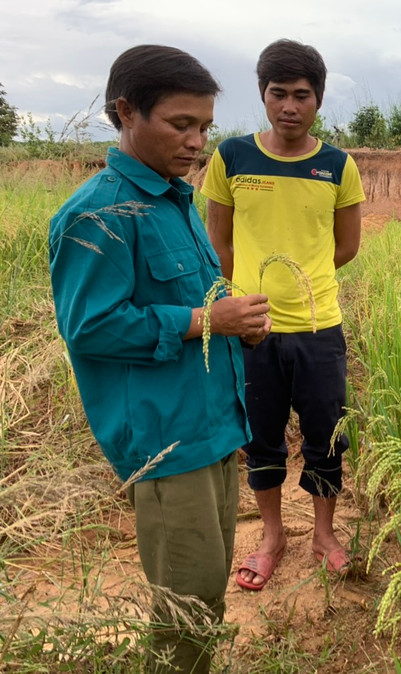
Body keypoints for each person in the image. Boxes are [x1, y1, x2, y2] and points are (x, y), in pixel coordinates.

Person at [49, 45, 271, 672]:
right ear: (126, 112)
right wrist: (207, 321)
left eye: (204, 127)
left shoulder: (176, 200)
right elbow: (90, 327)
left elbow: (198, 300)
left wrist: (237, 325)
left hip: (214, 426)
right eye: (181, 125)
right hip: (166, 440)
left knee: (206, 590)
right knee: (187, 607)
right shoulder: (97, 213)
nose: (197, 142)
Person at [201, 39, 365, 591]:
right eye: (278, 94)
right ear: (262, 94)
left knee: (326, 435)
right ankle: (272, 536)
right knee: (261, 437)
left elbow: (346, 247)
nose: (289, 107)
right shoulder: (231, 157)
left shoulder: (338, 166)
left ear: (318, 99)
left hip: (319, 329)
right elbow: (219, 241)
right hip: (252, 329)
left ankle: (324, 535)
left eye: (301, 95)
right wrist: (247, 293)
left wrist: (304, 280)